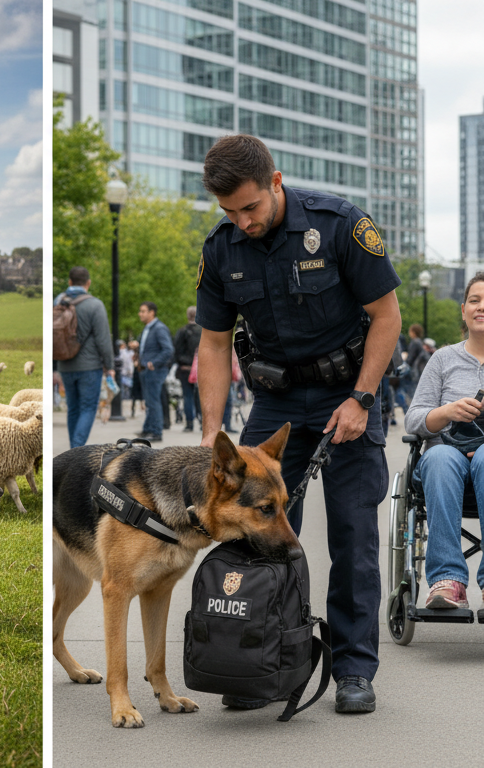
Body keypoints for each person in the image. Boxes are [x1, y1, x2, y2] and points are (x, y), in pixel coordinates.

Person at [195, 134, 400, 714]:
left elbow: (386, 316)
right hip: (278, 401)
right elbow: (213, 344)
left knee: (353, 538)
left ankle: (354, 669)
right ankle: (265, 663)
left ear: (276, 181)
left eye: (250, 207)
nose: (242, 221)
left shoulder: (338, 225)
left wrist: (362, 397)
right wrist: (213, 430)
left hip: (346, 394)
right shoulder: (220, 249)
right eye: (229, 211)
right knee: (257, 536)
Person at [406, 273, 484, 610]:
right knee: (438, 459)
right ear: (463, 310)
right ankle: (447, 581)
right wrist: (448, 410)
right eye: (475, 300)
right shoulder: (442, 359)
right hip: (446, 455)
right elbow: (413, 418)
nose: (481, 307)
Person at [53, 266, 113, 448]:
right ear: (88, 283)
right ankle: (76, 449)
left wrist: (55, 366)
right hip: (89, 366)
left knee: (73, 409)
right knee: (88, 408)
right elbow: (103, 339)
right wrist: (109, 366)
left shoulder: (58, 301)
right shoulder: (95, 305)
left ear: (69, 282)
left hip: (65, 364)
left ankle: (74, 450)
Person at [135, 301, 173, 441]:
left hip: (155, 371)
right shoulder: (147, 328)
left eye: (143, 311)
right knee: (149, 401)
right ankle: (148, 429)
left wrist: (154, 363)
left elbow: (168, 350)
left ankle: (157, 432)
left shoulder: (159, 328)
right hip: (145, 370)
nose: (140, 314)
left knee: (153, 401)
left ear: (152, 312)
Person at [173, 306, 203, 432]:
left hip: (185, 368)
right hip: (201, 368)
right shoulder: (204, 331)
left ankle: (189, 423)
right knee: (202, 396)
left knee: (187, 396)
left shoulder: (182, 331)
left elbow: (176, 350)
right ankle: (203, 422)